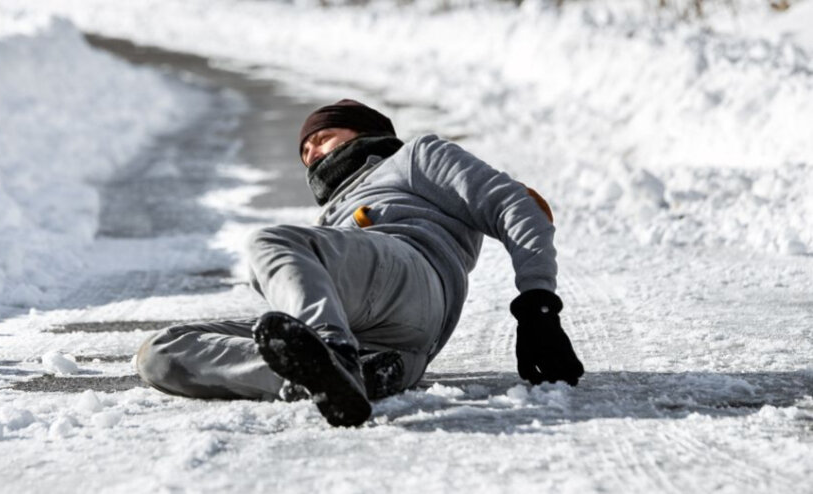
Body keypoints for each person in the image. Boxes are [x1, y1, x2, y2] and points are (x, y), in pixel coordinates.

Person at [136, 99, 584, 427]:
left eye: (321, 137)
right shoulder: (330, 216)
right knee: (161, 352)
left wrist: (538, 305)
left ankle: (332, 352)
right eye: (304, 151)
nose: (311, 153)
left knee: (270, 243)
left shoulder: (415, 158)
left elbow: (517, 205)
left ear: (364, 132)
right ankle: (329, 377)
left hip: (413, 275)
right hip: (396, 345)